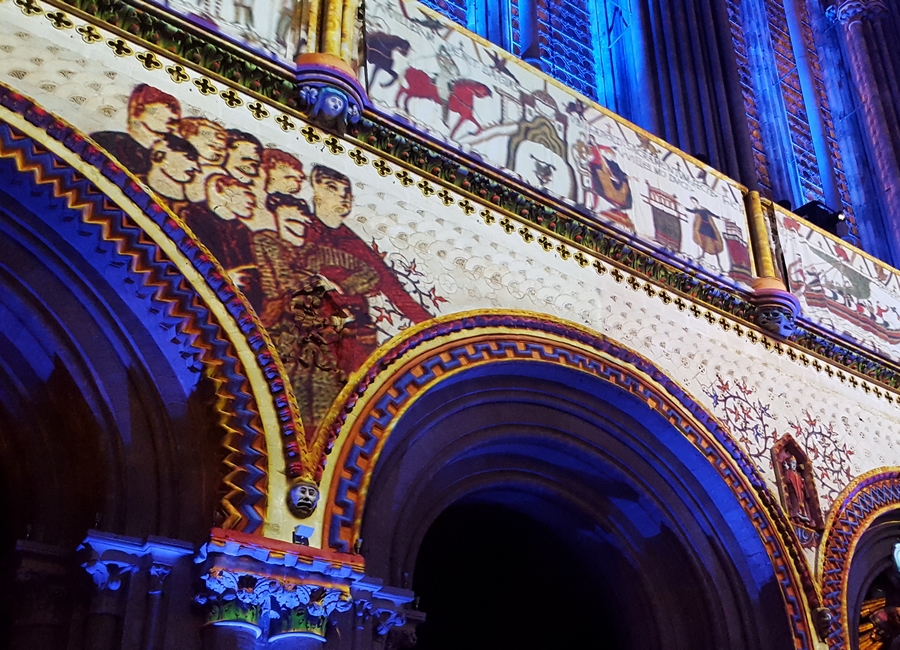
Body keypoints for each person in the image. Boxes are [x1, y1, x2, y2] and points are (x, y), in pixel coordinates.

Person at [92, 84, 181, 176]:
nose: (174, 128)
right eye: (171, 121)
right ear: (139, 110)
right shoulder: (105, 140)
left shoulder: (165, 154)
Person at [179, 117, 229, 203]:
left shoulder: (220, 173)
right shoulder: (182, 168)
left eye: (222, 148)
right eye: (212, 145)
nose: (219, 138)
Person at [143, 134, 200, 207]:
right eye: (189, 158)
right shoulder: (128, 181)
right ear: (158, 156)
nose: (197, 168)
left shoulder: (191, 210)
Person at [686, 196, 725, 267]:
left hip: (708, 227)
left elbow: (711, 214)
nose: (694, 203)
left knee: (714, 243)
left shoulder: (703, 209)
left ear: (697, 201)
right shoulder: (696, 210)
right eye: (692, 202)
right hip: (702, 227)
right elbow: (690, 211)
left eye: (694, 201)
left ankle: (719, 263)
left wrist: (719, 217)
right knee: (704, 241)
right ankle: (702, 256)